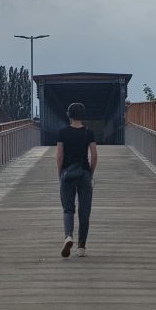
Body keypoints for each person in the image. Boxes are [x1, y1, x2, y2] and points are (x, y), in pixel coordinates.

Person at [56, 102, 97, 258]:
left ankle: (68, 236)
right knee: (84, 211)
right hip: (84, 174)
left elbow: (60, 156)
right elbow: (94, 156)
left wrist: (60, 174)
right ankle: (81, 247)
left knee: (68, 209)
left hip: (67, 174)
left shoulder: (62, 133)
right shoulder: (89, 133)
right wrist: (90, 173)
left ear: (69, 115)